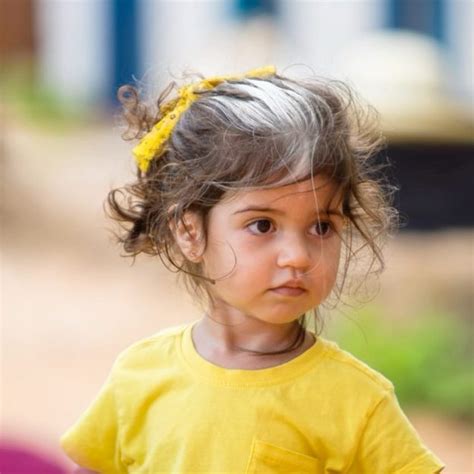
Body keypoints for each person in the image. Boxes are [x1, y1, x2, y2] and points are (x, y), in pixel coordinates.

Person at [60, 65, 445, 473]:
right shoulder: (140, 375)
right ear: (190, 232)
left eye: (321, 226)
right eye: (262, 225)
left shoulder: (357, 401)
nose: (297, 255)